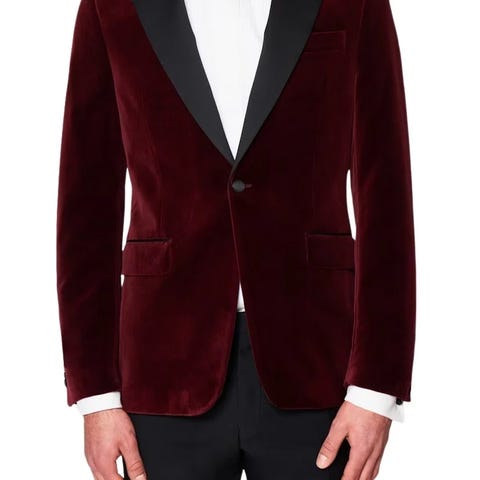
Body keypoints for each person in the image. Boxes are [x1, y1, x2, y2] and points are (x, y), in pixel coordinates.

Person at [56, 0, 416, 478]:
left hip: (319, 367)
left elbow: (386, 194)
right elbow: (87, 205)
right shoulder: (111, 6)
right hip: (161, 368)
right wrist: (95, 396)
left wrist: (375, 389)